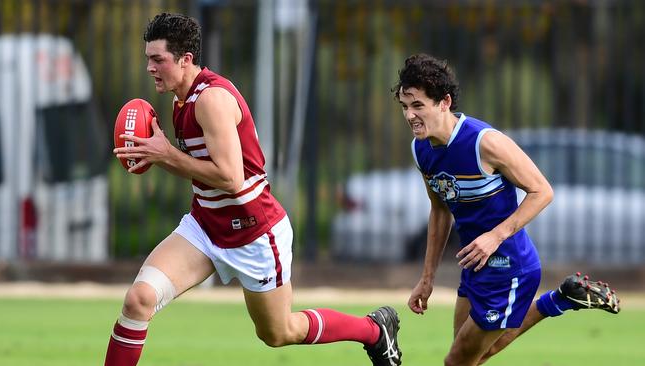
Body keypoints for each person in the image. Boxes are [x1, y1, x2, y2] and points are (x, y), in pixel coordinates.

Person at [105, 12, 401, 366]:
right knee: (138, 299)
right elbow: (205, 173)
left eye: (158, 60)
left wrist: (166, 154)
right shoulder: (179, 98)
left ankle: (373, 331)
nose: (150, 68)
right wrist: (161, 156)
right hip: (205, 227)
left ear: (185, 60)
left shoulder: (211, 100)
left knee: (279, 333)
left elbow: (230, 178)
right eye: (148, 59)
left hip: (254, 232)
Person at [393, 53, 620, 366]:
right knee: (473, 355)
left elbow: (542, 191)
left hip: (509, 265)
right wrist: (427, 278)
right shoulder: (421, 149)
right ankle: (562, 298)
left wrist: (495, 236)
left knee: (457, 362)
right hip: (474, 264)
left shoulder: (485, 143)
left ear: (444, 102)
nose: (409, 115)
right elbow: (440, 211)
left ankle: (558, 299)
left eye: (418, 105)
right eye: (405, 107)